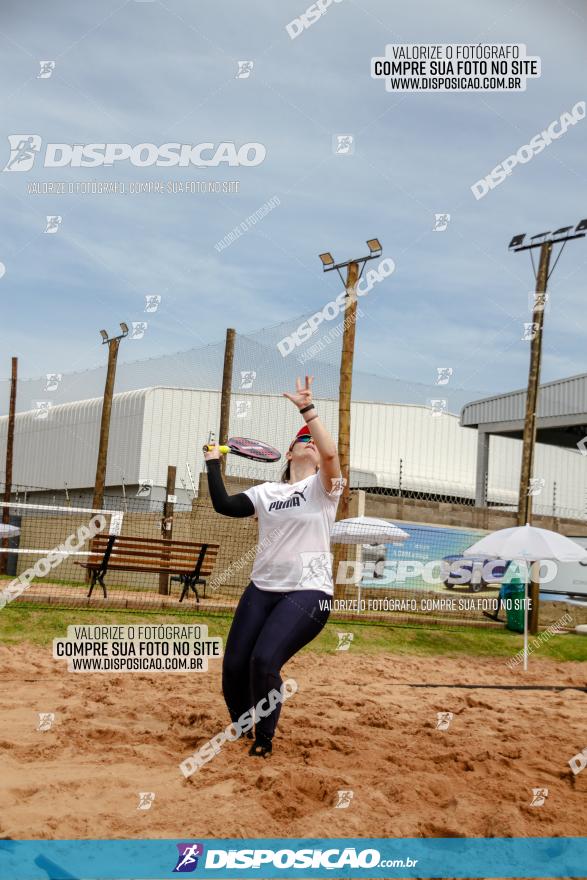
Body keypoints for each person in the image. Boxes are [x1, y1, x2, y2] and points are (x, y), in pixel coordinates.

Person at [203, 376, 343, 758]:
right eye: (303, 439)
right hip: (262, 589)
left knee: (263, 661)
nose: (312, 442)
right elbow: (225, 506)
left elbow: (331, 457)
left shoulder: (323, 491)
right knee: (233, 667)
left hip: (308, 593)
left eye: (314, 439)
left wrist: (307, 410)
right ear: (288, 452)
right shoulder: (267, 492)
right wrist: (213, 464)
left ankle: (264, 738)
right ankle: (242, 724)